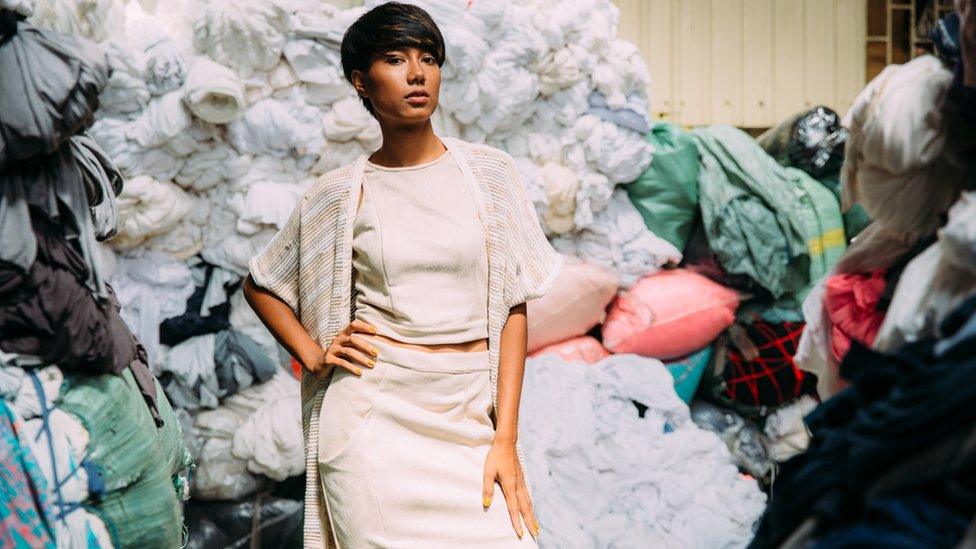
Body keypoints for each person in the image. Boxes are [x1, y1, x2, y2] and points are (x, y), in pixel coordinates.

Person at [242, 2, 563, 547]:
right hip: (373, 426)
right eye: (395, 59)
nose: (417, 73)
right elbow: (260, 283)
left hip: (467, 421)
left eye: (429, 58)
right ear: (361, 82)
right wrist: (315, 353)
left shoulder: (490, 173)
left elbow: (513, 307)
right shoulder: (339, 192)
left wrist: (504, 437)